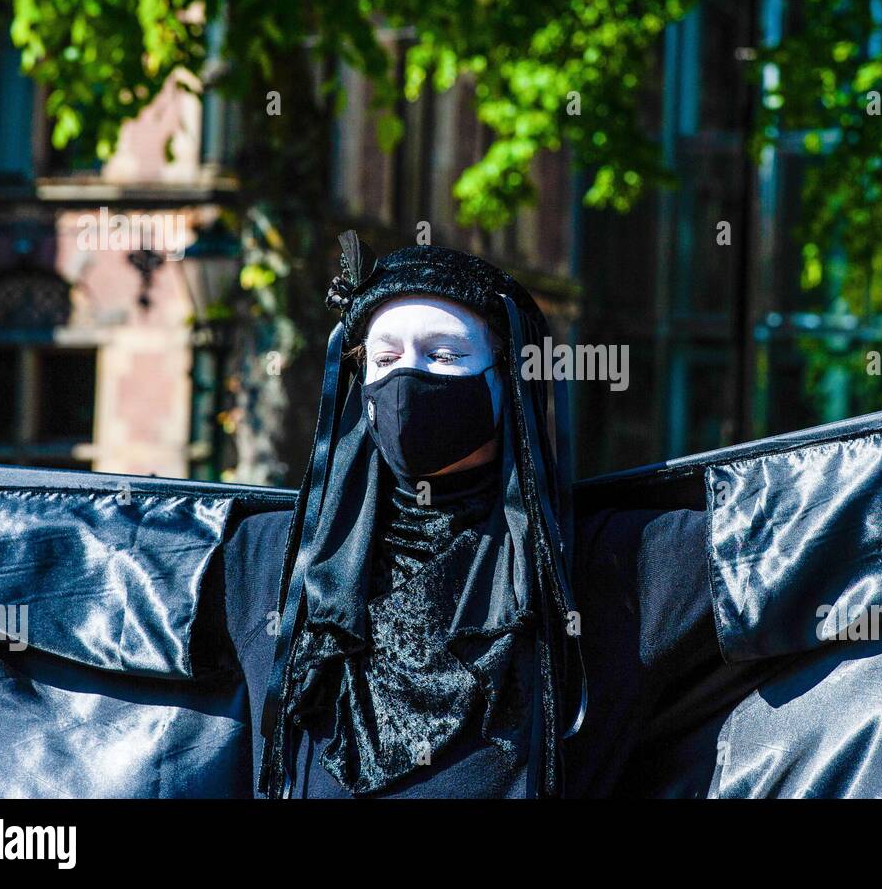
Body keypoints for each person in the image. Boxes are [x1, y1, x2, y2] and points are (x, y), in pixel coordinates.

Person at [221, 234, 734, 798]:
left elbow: (801, 544)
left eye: (444, 355)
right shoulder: (268, 559)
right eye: (385, 358)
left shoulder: (617, 565)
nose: (405, 380)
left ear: (508, 377)